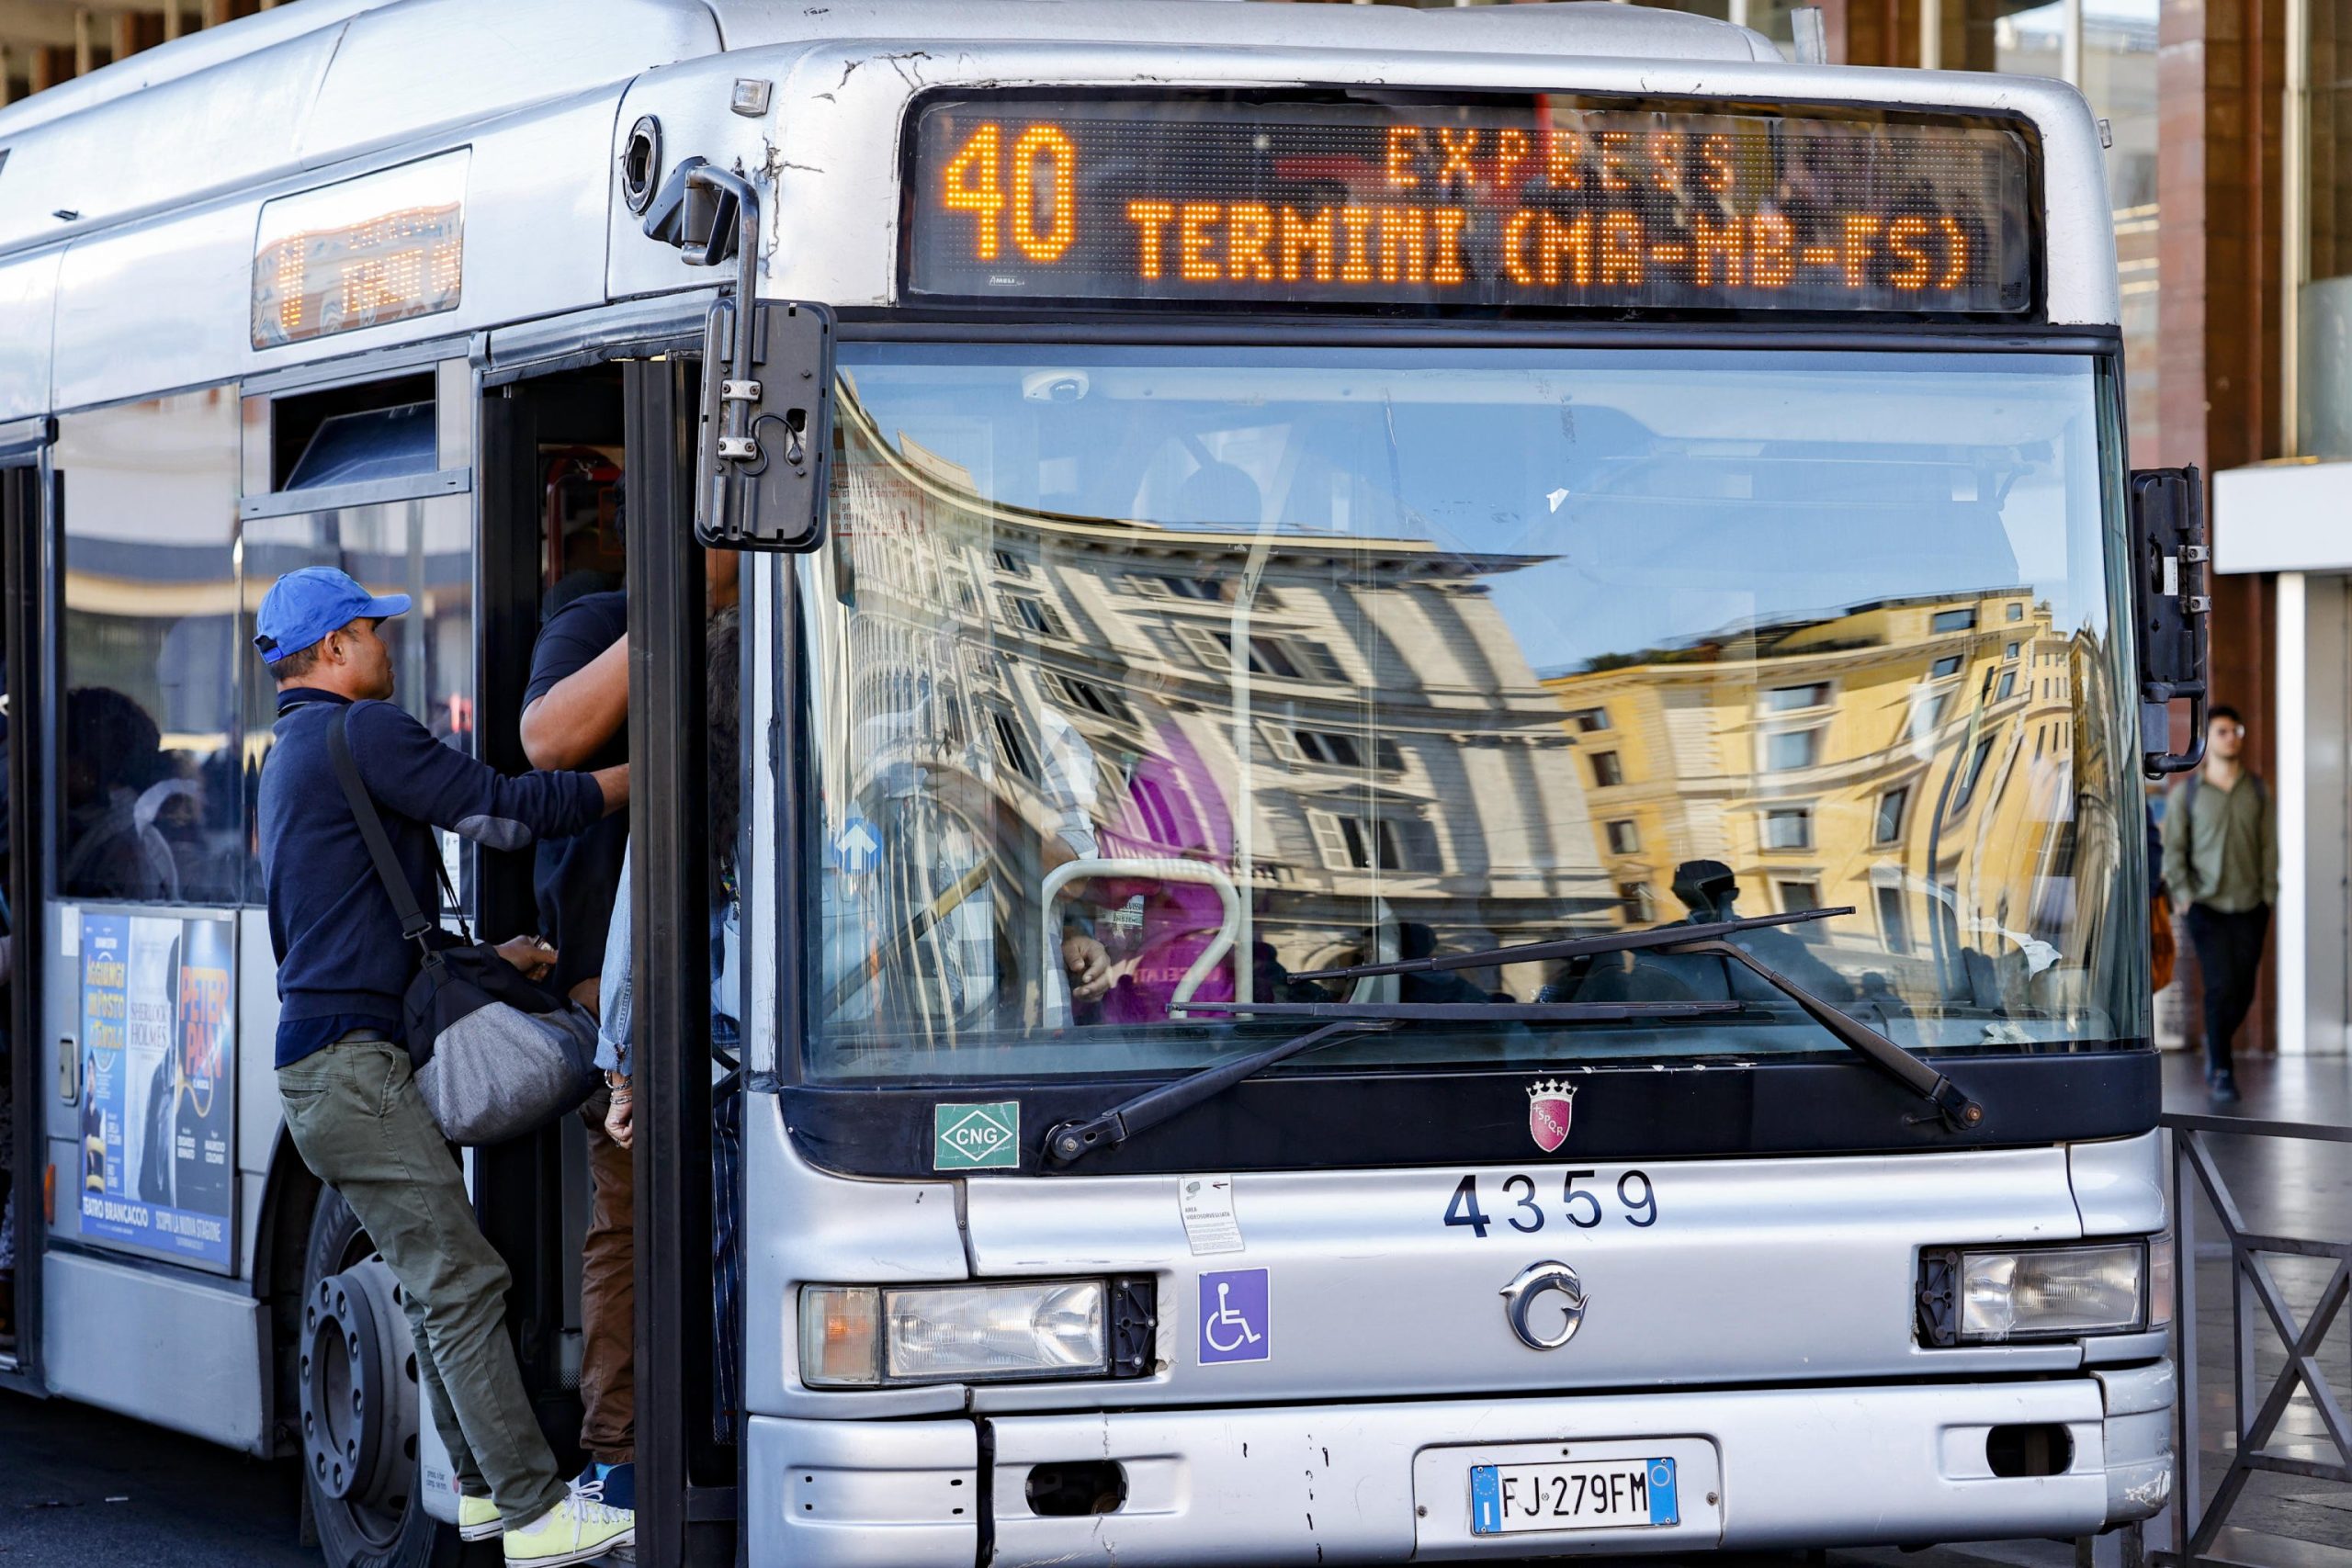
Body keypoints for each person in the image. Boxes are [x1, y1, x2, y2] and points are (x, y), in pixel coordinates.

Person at [252, 567, 635, 1566]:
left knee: (433, 1286)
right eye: (374, 632)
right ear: (335, 649)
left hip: (323, 1073)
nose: (389, 646)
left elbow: (342, 928)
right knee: (463, 1282)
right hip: (356, 1076)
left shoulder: (289, 751)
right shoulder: (365, 733)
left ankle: (473, 1491)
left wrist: (485, 962)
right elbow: (507, 813)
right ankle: (538, 1512)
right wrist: (653, 768)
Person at [517, 581, 635, 1506]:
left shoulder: (805, 611)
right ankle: (619, 1458)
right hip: (617, 986)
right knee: (629, 1218)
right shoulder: (600, 625)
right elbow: (545, 748)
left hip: (765, 989)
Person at [2163, 705, 2278, 1102]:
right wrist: (2185, 894)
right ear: (2210, 739)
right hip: (2206, 905)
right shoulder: (2188, 794)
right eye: (2224, 731)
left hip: (2250, 904)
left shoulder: (2257, 790)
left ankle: (2216, 1043)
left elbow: (2269, 846)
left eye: (2236, 730)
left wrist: (2269, 894)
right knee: (2219, 985)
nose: (2232, 737)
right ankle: (2223, 1070)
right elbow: (2174, 848)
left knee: (2243, 990)